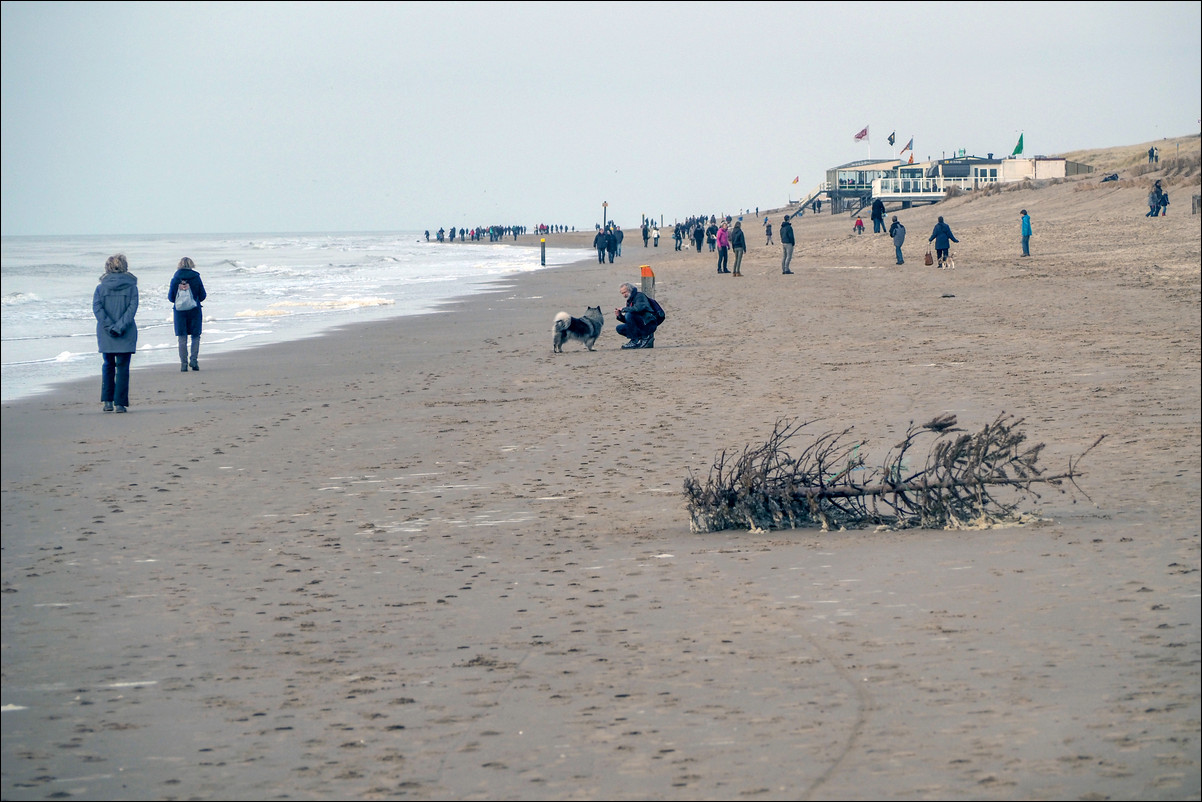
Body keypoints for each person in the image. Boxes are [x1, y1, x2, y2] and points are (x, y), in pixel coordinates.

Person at [92, 253, 139, 413]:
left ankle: (107, 401)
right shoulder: (132, 287)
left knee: (108, 366)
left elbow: (97, 310)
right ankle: (119, 403)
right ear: (125, 266)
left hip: (107, 333)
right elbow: (132, 310)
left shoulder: (100, 288)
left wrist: (110, 326)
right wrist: (119, 326)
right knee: (123, 367)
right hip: (125, 331)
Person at [168, 257, 207, 371]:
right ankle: (194, 360)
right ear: (191, 265)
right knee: (195, 336)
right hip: (195, 310)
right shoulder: (196, 277)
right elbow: (203, 295)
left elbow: (171, 298)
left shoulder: (175, 279)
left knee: (182, 337)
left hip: (179, 312)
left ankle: (183, 364)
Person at [614, 282, 657, 349]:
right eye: (622, 293)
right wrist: (619, 316)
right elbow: (629, 321)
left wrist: (624, 309)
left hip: (648, 324)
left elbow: (638, 308)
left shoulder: (640, 296)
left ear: (630, 290)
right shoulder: (629, 300)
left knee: (629, 314)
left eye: (625, 292)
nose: (624, 295)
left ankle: (637, 340)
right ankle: (641, 338)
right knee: (619, 328)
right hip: (640, 324)